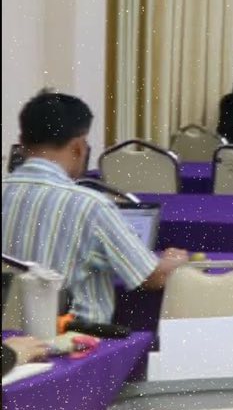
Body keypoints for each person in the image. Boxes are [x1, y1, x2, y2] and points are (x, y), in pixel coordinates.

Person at [2, 91, 191, 325]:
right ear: (79, 147)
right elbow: (152, 277)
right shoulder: (91, 206)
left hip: (8, 340)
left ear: (21, 143)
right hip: (73, 339)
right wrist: (175, 262)